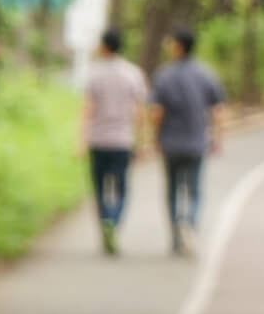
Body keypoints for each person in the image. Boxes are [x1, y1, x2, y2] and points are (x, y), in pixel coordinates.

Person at [150, 25, 226, 257]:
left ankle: (175, 237)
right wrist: (217, 138)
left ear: (179, 46)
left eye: (172, 43)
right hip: (196, 143)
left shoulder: (164, 75)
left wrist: (155, 138)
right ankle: (190, 225)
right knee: (193, 191)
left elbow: (156, 113)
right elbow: (217, 111)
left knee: (172, 191)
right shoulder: (206, 74)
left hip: (170, 144)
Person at [80, 28, 148, 256]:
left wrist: (80, 140)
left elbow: (87, 110)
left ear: (104, 46)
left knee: (99, 189)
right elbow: (139, 113)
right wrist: (142, 142)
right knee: (121, 189)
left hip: (98, 141)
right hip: (122, 141)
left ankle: (105, 222)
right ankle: (114, 221)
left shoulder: (94, 74)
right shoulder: (133, 73)